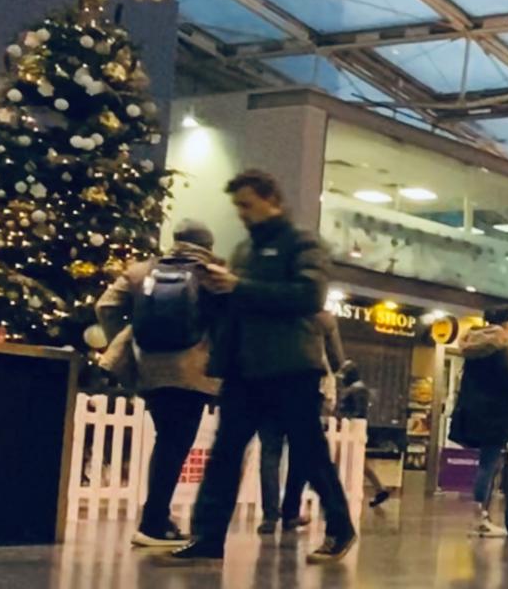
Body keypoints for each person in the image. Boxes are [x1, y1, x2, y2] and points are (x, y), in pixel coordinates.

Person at [170, 170, 356, 563]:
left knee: (308, 451)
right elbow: (240, 305)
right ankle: (208, 537)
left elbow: (309, 295)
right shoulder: (244, 252)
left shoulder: (302, 244)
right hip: (245, 367)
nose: (241, 214)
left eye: (247, 205)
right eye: (237, 206)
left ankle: (340, 527)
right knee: (226, 452)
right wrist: (216, 292)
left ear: (272, 199)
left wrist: (238, 287)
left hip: (291, 366)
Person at [95, 220, 222, 548]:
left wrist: (131, 340)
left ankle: (157, 517)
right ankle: (153, 522)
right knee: (174, 444)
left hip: (150, 368)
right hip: (193, 371)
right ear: (207, 245)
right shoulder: (214, 274)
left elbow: (106, 306)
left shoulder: (141, 272)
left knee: (166, 440)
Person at [447, 307, 508, 539]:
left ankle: (480, 516)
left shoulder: (474, 344)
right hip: (495, 414)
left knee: (486, 464)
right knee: (489, 464)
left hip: (474, 412)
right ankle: (480, 518)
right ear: (507, 324)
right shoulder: (501, 346)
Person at [260, 309, 344, 533]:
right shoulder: (320, 316)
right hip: (303, 390)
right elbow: (337, 361)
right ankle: (290, 514)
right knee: (300, 454)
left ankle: (269, 516)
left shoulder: (267, 311)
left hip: (267, 390)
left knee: (269, 453)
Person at [334, 359, 392, 508]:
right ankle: (380, 488)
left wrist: (343, 419)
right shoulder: (358, 388)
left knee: (344, 460)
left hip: (351, 428)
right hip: (353, 428)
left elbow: (356, 411)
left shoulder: (356, 389)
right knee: (360, 462)